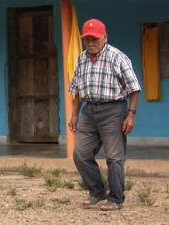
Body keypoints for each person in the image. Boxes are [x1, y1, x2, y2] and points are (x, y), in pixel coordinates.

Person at [68, 18, 141, 211]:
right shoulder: (81, 58)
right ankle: (97, 191)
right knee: (80, 154)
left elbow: (134, 88)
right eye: (87, 40)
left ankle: (116, 198)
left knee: (114, 157)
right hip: (89, 111)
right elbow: (77, 90)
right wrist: (74, 115)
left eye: (95, 39)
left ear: (105, 37)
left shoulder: (118, 57)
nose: (91, 44)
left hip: (113, 110)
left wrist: (130, 113)